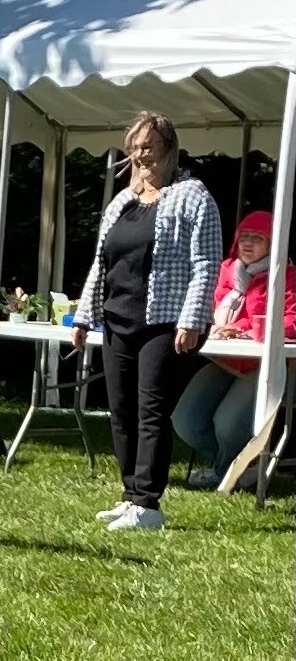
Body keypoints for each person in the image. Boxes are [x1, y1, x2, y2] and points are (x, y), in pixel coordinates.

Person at [72, 111, 222, 531]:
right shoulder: (122, 202)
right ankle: (130, 495)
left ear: (170, 150)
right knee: (121, 411)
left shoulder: (193, 197)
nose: (141, 157)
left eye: (149, 148)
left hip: (166, 322)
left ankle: (149, 504)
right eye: (135, 149)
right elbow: (101, 263)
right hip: (118, 319)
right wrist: (84, 316)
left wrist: (192, 320)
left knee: (151, 410)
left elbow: (206, 263)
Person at [172, 210, 296, 489]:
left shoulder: (285, 275)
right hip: (224, 359)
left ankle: (225, 475)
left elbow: (292, 321)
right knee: (185, 421)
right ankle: (239, 469)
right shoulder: (225, 270)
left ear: (273, 244)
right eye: (244, 237)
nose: (248, 244)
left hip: (263, 365)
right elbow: (205, 309)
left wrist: (249, 330)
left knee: (227, 424)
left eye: (258, 238)